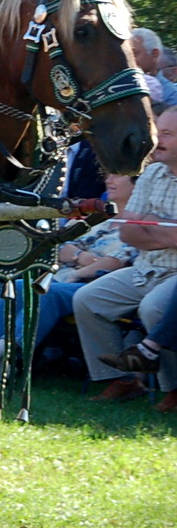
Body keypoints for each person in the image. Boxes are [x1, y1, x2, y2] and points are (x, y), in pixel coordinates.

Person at [0, 174, 138, 387]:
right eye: (109, 175)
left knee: (44, 293)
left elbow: (114, 263)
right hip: (62, 279)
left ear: (137, 183)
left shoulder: (138, 224)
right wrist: (83, 258)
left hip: (96, 287)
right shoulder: (99, 217)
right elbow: (61, 246)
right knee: (17, 286)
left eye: (118, 176)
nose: (109, 180)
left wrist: (77, 271)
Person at [75, 108, 177, 410]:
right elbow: (127, 231)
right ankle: (121, 380)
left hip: (174, 274)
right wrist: (165, 230)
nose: (157, 140)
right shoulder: (152, 173)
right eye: (158, 131)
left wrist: (149, 224)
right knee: (87, 300)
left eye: (167, 134)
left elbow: (139, 227)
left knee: (154, 308)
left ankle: (174, 389)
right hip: (144, 268)